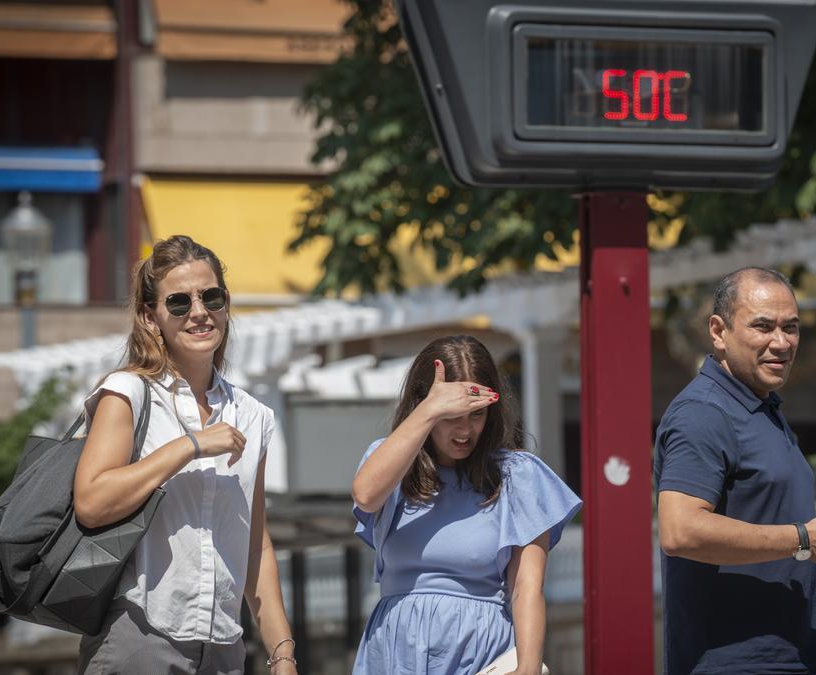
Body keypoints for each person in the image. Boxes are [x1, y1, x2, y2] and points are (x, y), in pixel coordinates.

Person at [73, 236, 298, 675]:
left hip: (225, 649)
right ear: (149, 317)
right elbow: (92, 502)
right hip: (139, 636)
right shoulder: (129, 393)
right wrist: (190, 445)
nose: (199, 312)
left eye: (210, 297)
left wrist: (282, 652)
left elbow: (256, 545)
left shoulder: (254, 416)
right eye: (178, 303)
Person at [653, 267, 816, 674]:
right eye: (763, 326)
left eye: (791, 327)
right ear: (718, 331)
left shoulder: (761, 406)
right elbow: (680, 530)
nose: (782, 342)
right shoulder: (703, 413)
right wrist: (804, 538)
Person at [350, 335, 581, 675]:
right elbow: (366, 496)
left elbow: (526, 588)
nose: (464, 429)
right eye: (451, 416)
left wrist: (528, 668)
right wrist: (430, 409)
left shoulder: (518, 475)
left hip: (482, 651)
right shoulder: (392, 461)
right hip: (396, 651)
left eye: (476, 414)